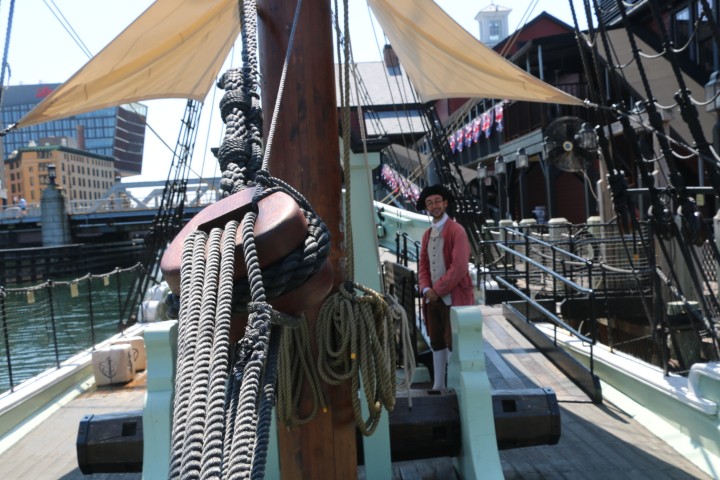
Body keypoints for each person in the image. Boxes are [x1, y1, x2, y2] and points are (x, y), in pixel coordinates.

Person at [416, 184, 474, 392]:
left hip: (452, 296)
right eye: (430, 203)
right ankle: (438, 384)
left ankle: (453, 385)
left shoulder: (457, 231)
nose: (434, 206)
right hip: (433, 298)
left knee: (453, 340)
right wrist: (425, 289)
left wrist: (436, 290)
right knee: (436, 339)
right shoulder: (427, 234)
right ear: (426, 207)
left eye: (437, 201)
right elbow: (423, 265)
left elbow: (459, 267)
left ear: (445, 203)